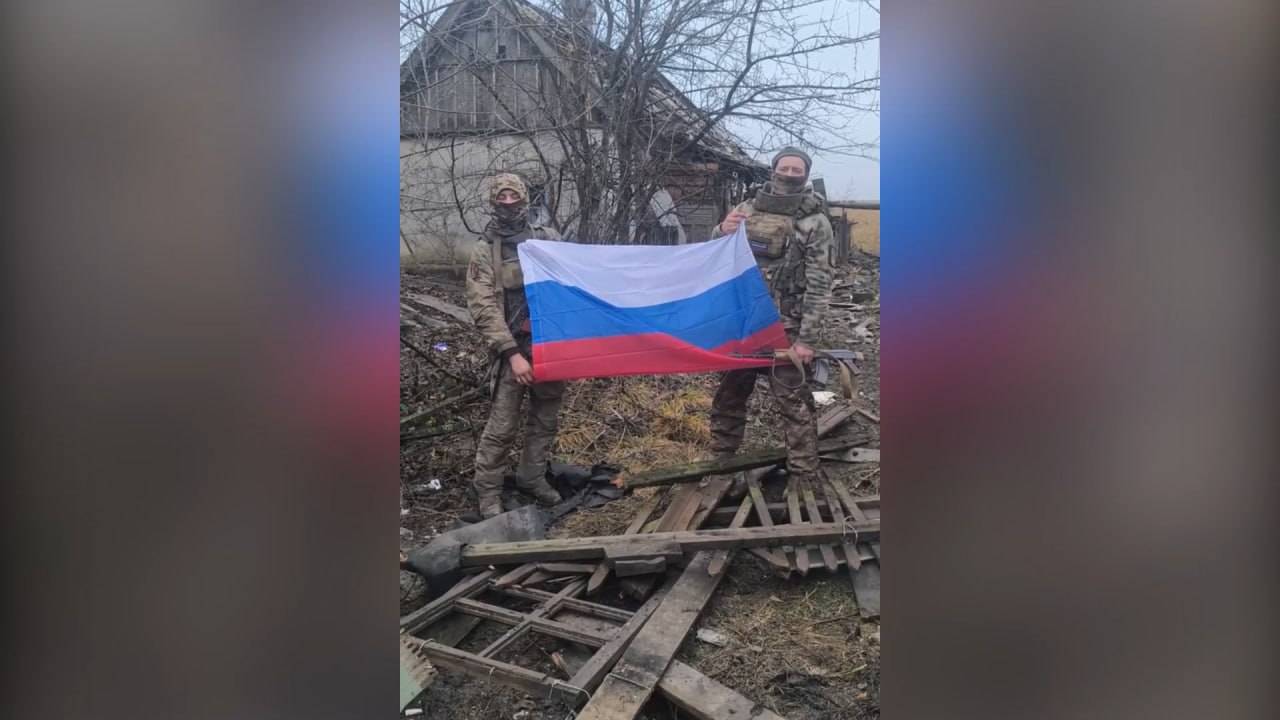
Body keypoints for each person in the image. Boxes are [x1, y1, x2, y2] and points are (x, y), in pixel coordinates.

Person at [713, 147, 835, 496]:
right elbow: (711, 257)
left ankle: (804, 477)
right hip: (744, 326)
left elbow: (819, 283)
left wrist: (807, 339)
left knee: (794, 403)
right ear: (773, 169)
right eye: (785, 167)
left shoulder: (815, 222)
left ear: (806, 175)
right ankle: (722, 467)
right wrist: (721, 228)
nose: (790, 173)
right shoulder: (746, 211)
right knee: (729, 398)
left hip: (786, 331)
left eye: (798, 169)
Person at [463, 173, 566, 518]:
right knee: (502, 426)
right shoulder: (484, 250)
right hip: (513, 351)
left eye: (514, 196)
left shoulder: (547, 239)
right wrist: (511, 354)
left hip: (550, 346)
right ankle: (488, 492)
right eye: (501, 197)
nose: (508, 203)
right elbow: (482, 307)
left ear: (525, 200)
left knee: (545, 420)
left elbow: (570, 283)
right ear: (493, 202)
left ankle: (532, 478)